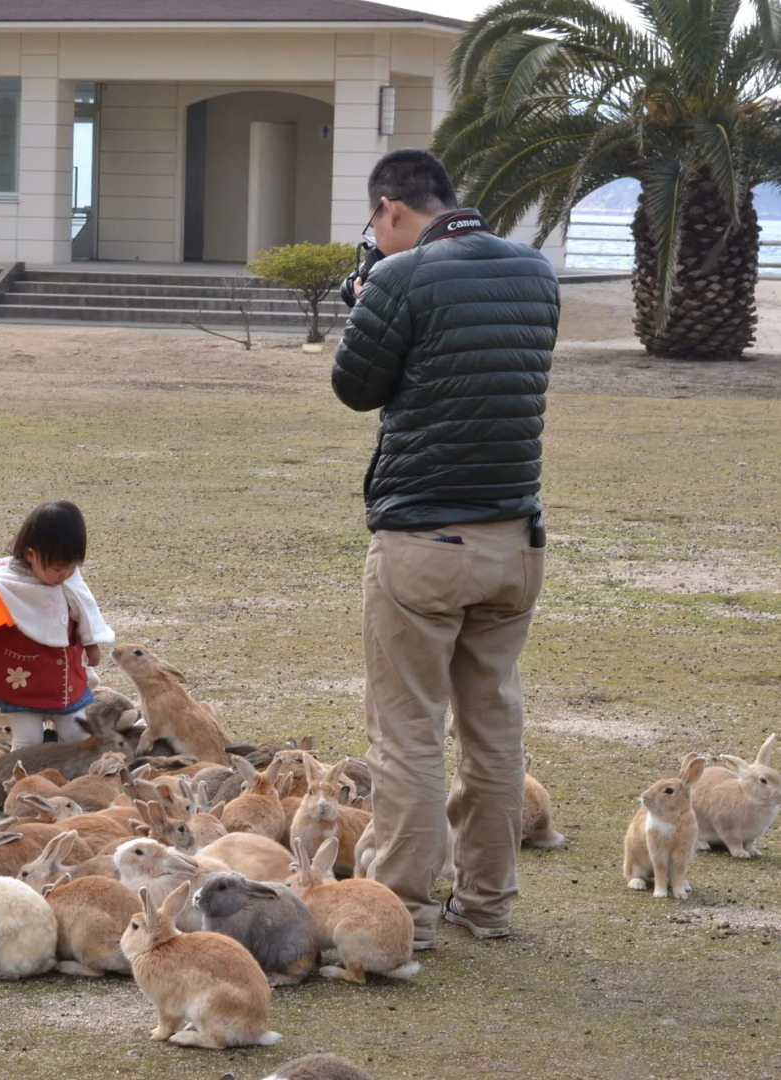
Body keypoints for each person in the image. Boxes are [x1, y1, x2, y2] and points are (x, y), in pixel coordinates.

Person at [331, 149, 560, 949]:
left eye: (374, 224)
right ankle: (489, 904)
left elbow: (356, 388)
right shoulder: (535, 273)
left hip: (425, 539)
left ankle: (407, 915)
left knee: (409, 732)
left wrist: (366, 303)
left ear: (392, 208)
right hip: (516, 541)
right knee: (495, 730)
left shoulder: (399, 280)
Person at [0, 501, 114, 750]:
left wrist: (91, 642)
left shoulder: (70, 580)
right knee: (28, 740)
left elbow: (85, 609)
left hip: (62, 680)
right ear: (30, 555)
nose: (65, 575)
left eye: (72, 567)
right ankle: (21, 781)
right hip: (21, 682)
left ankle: (77, 775)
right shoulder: (2, 583)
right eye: (58, 568)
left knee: (76, 732)